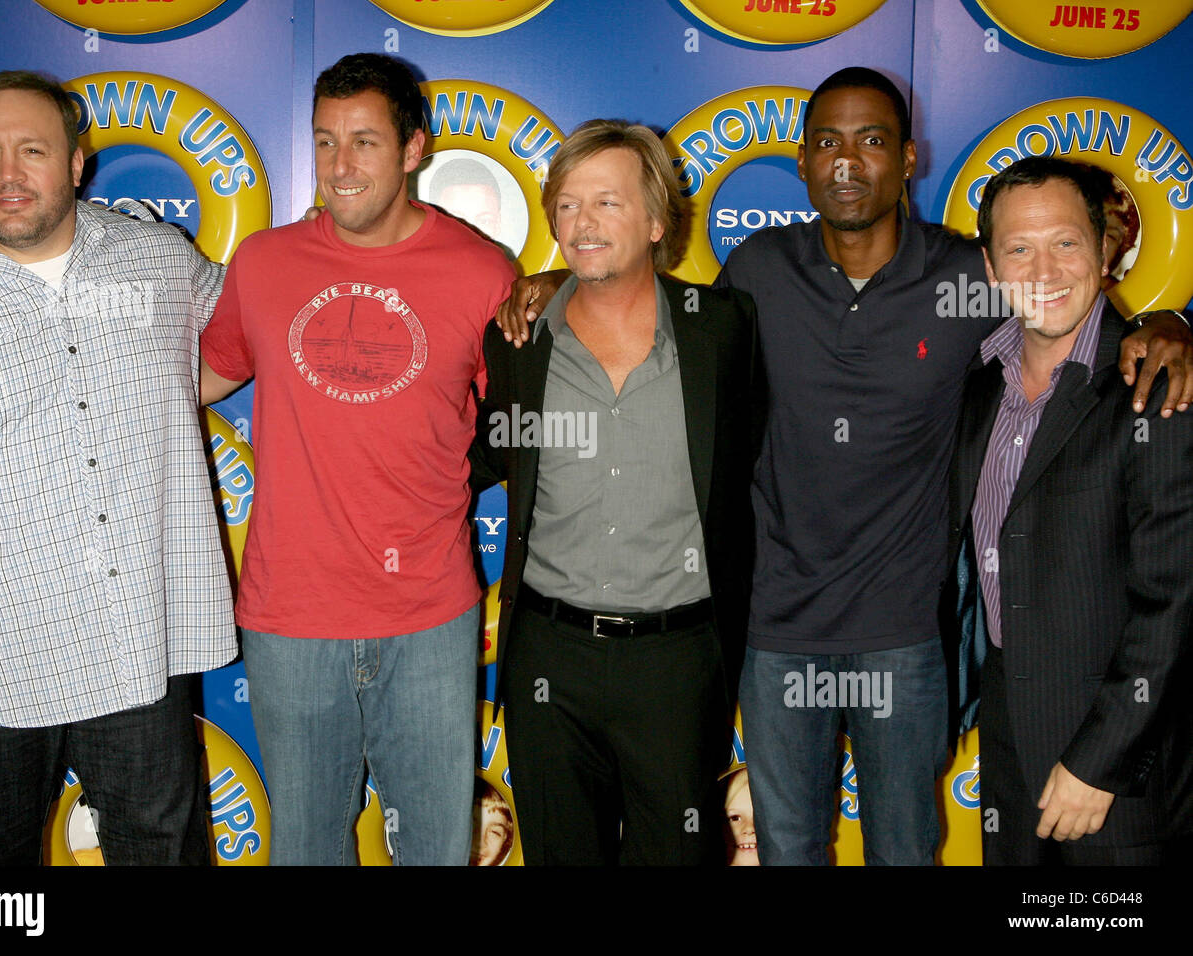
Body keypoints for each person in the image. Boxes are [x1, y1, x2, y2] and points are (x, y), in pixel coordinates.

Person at [495, 68, 1192, 866]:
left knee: (904, 849)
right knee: (790, 849)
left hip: (903, 638)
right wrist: (557, 283)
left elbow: (1065, 305)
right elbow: (652, 319)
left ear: (908, 158)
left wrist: (1167, 323)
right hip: (776, 630)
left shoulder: (971, 274)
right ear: (801, 162)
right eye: (827, 141)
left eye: (871, 140)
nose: (848, 160)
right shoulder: (756, 272)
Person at [0, 71, 236, 865]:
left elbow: (253, 335)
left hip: (135, 643)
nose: (9, 175)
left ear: (77, 162)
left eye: (32, 151)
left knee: (163, 856)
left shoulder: (156, 261)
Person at [199, 53, 516, 865]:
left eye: (366, 142)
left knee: (437, 847)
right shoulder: (265, 263)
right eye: (326, 141)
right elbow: (202, 377)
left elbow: (523, 420)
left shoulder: (482, 273)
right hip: (291, 616)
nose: (341, 167)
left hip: (431, 618)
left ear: (414, 149)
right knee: (306, 848)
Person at [471, 120, 764, 865]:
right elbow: (476, 458)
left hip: (677, 659)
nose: (583, 223)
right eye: (567, 205)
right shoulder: (515, 341)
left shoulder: (724, 331)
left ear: (659, 220)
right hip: (548, 656)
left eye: (609, 202)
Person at [949, 156, 1193, 864]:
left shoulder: (1159, 388)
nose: (1043, 269)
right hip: (1007, 757)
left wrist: (1101, 762)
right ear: (991, 270)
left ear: (1106, 251)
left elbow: (1176, 602)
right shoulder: (976, 386)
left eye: (1065, 243)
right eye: (1019, 249)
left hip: (1122, 785)